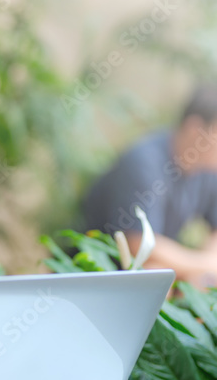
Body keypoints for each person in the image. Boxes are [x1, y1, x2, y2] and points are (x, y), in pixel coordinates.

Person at [83, 84, 217, 287]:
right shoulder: (145, 163)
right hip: (90, 273)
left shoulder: (206, 170)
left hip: (148, 272)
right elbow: (140, 246)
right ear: (195, 129)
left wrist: (204, 268)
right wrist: (204, 264)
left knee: (198, 282)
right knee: (158, 275)